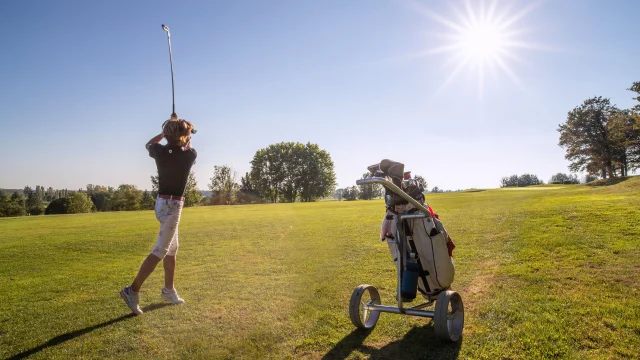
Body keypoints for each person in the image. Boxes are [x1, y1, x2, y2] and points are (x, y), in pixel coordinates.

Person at [120, 114, 197, 315]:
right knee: (160, 251)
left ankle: (168, 290)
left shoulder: (160, 151)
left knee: (172, 250)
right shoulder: (190, 155)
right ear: (184, 136)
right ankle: (132, 290)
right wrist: (179, 128)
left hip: (161, 203)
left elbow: (149, 144)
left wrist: (167, 131)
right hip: (173, 206)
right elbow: (188, 145)